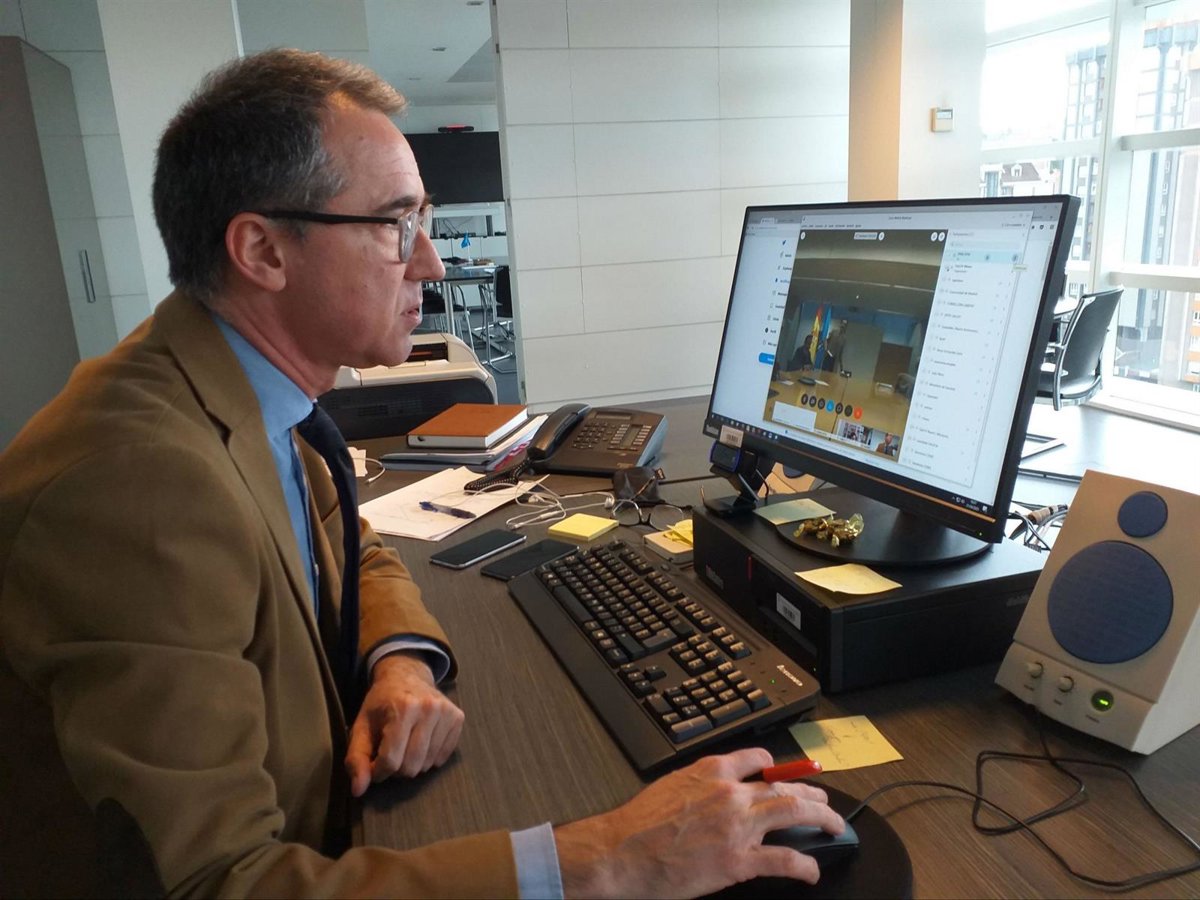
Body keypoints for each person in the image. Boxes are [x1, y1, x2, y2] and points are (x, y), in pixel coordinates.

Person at [0, 49, 842, 898]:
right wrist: (611, 857)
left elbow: (348, 542)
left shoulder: (232, 389)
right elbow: (219, 884)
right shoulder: (140, 482)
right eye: (396, 223)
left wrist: (399, 660)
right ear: (262, 250)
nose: (431, 263)